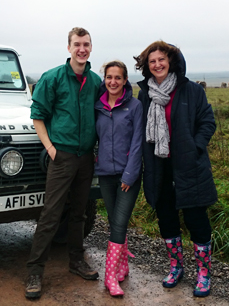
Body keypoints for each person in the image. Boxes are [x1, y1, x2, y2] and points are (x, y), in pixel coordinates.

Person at [134, 41, 217, 298]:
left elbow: (207, 121)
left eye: (161, 59)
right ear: (147, 66)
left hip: (188, 164)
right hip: (159, 166)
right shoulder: (145, 93)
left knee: (196, 219)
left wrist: (195, 146)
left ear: (171, 61)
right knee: (166, 217)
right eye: (152, 61)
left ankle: (203, 272)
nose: (157, 64)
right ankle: (176, 266)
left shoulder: (191, 90)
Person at [25, 27, 102, 299]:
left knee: (79, 213)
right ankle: (35, 271)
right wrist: (50, 148)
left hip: (86, 158)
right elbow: (38, 115)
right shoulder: (53, 78)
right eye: (77, 44)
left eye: (87, 44)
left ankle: (76, 261)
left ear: (91, 48)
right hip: (62, 156)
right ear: (69, 47)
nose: (82, 49)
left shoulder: (95, 81)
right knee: (51, 214)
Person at [94, 60, 143, 296]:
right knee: (115, 223)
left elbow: (137, 144)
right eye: (109, 77)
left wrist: (130, 174)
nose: (113, 82)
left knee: (119, 224)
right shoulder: (98, 106)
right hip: (104, 174)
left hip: (127, 176)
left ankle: (110, 277)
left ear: (125, 81)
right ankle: (122, 265)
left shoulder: (134, 106)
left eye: (118, 78)